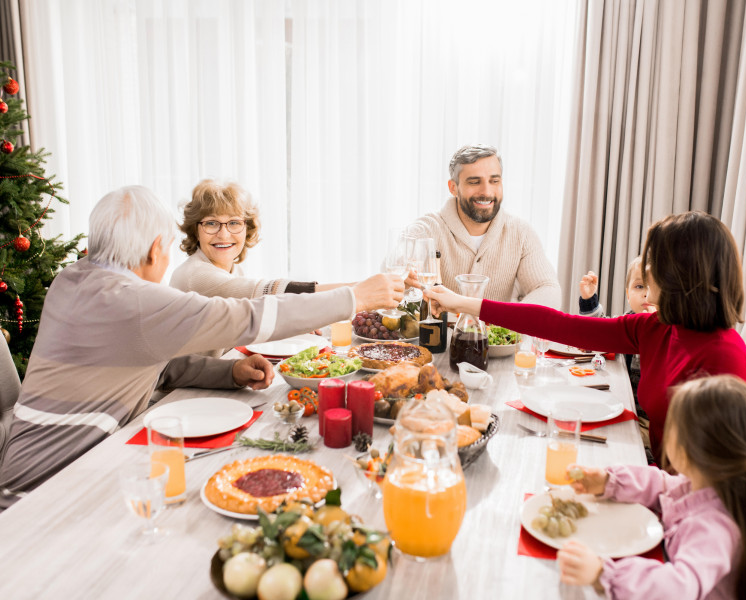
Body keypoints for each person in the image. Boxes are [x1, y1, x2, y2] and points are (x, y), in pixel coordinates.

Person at [0, 186, 403, 508]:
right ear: (157, 248)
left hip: (25, 473)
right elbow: (248, 317)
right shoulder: (135, 301)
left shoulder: (71, 282)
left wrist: (226, 372)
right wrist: (355, 297)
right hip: (50, 490)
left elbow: (142, 360)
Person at [425, 211, 746, 463]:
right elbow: (559, 325)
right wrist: (461, 302)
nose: (647, 271)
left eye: (657, 262)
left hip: (699, 516)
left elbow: (723, 479)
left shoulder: (722, 357)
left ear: (684, 276)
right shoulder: (659, 327)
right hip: (661, 480)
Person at [557, 375, 746, 599]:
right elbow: (663, 485)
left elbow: (677, 589)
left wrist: (602, 574)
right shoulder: (710, 485)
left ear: (687, 451)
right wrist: (609, 481)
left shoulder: (713, 527)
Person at [170, 180, 354, 355]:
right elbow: (269, 293)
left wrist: (296, 320)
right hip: (184, 387)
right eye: (211, 223)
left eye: (234, 222)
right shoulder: (195, 275)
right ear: (196, 230)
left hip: (216, 375)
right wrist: (361, 290)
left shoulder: (232, 269)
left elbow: (253, 318)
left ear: (246, 228)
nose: (224, 234)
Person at [405, 144, 561, 307]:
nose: (486, 191)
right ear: (453, 188)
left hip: (499, 332)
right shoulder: (425, 230)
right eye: (474, 182)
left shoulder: (521, 233)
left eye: (494, 181)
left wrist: (507, 320)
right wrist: (405, 283)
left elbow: (548, 290)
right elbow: (394, 279)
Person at [578, 257, 656, 461]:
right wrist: (589, 300)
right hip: (621, 406)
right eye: (639, 286)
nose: (646, 293)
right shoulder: (628, 322)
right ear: (628, 295)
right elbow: (600, 331)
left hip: (649, 421)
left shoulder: (667, 329)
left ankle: (642, 460)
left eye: (654, 285)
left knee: (619, 447)